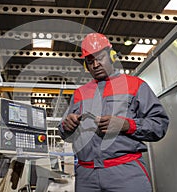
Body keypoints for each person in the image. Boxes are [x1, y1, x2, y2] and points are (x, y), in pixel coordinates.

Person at [58, 33, 169, 192]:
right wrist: (66, 127)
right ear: (86, 65)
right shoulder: (79, 94)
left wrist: (127, 125)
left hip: (125, 173)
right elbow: (65, 134)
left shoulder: (135, 86)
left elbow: (160, 125)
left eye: (100, 58)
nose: (95, 65)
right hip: (86, 176)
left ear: (111, 56)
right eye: (90, 61)